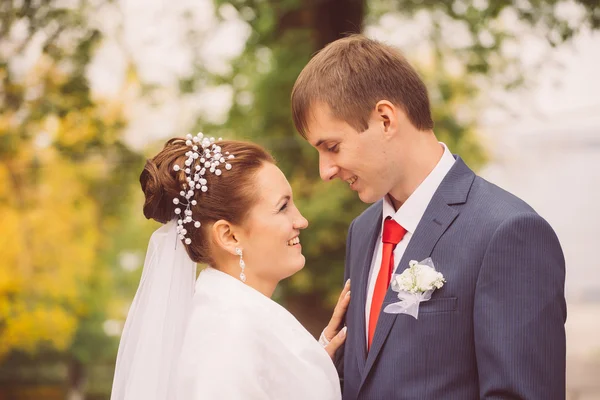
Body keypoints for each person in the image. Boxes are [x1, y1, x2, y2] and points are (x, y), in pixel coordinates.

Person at [291, 35, 566, 399]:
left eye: (332, 147)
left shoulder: (508, 232)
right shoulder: (362, 232)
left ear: (386, 119)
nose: (324, 171)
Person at [110, 135, 349, 400]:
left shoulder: (230, 320)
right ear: (229, 236)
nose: (301, 220)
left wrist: (310, 372)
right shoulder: (229, 335)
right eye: (282, 207)